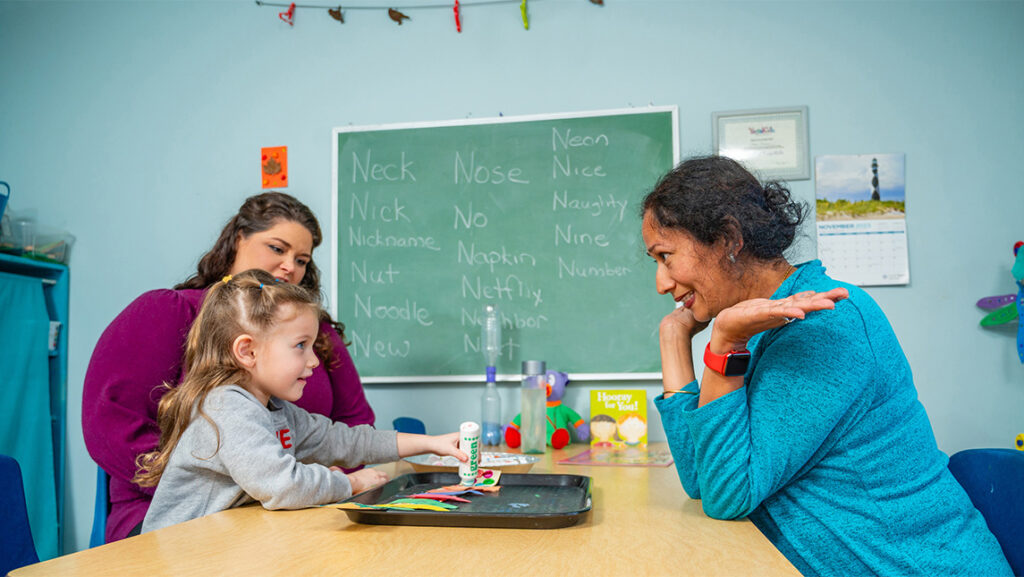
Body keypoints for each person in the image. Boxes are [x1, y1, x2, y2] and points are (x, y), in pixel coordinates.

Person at [642, 156, 1012, 576]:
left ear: (728, 239)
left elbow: (727, 493)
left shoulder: (827, 325)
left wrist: (723, 345)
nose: (661, 283)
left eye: (666, 256)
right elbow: (704, 480)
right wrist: (673, 340)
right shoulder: (761, 326)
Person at [83, 191, 377, 542]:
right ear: (238, 240)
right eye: (277, 249)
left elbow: (355, 422)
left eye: (302, 260)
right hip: (179, 518)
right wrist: (244, 485)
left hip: (296, 508)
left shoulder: (320, 334)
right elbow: (111, 424)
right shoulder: (169, 311)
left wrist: (317, 485)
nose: (290, 267)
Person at [136, 270, 465, 532]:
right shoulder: (227, 408)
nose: (314, 361)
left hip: (224, 545)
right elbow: (283, 486)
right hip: (180, 557)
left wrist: (430, 443)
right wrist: (349, 483)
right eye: (300, 346)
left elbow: (344, 440)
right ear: (247, 351)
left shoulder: (276, 411)